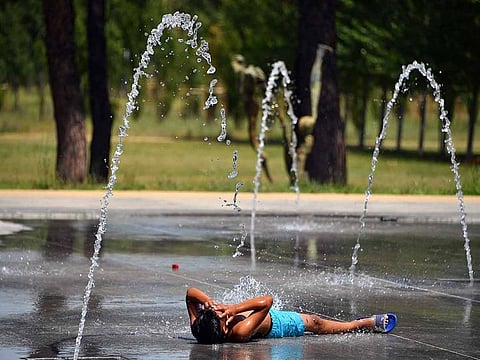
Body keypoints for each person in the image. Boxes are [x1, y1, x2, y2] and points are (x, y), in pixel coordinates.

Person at [186, 287, 397, 344]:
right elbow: (267, 302)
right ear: (224, 330)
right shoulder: (239, 332)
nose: (223, 314)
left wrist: (209, 303)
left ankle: (356, 323)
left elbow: (190, 294)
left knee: (315, 321)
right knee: (315, 323)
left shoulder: (199, 328)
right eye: (223, 318)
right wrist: (233, 309)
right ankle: (358, 324)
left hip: (258, 313)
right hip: (277, 324)